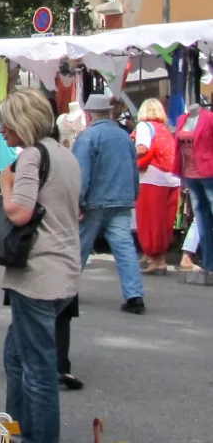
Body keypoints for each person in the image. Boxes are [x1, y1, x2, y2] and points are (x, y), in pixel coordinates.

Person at [0, 88, 82, 443]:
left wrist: (5, 184)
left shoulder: (32, 155)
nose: (1, 131)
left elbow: (20, 212)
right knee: (17, 355)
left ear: (22, 121)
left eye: (5, 124)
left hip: (38, 272)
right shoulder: (64, 154)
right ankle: (15, 433)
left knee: (36, 367)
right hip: (63, 269)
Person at [70, 94, 145, 313]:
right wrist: (133, 194)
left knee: (78, 247)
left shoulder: (88, 137)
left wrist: (77, 201)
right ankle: (134, 295)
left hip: (94, 201)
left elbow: (81, 174)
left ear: (88, 113)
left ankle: (67, 291)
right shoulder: (124, 136)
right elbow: (133, 169)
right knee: (125, 248)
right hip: (121, 199)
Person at [133, 98, 180, 274]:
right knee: (164, 221)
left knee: (149, 220)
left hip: (152, 176)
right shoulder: (165, 129)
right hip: (172, 177)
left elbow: (142, 149)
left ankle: (155, 258)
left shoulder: (144, 126)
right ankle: (158, 257)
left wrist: (126, 154)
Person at [178, 102, 213, 272]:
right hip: (190, 174)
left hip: (209, 172)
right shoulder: (182, 119)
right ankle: (209, 264)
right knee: (201, 220)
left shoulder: (210, 119)